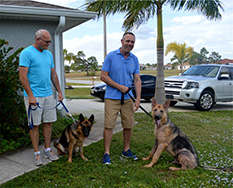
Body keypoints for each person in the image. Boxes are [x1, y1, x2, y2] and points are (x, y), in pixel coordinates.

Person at [19, 29, 63, 166]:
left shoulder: (48, 54)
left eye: (50, 41)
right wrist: (30, 95)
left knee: (48, 123)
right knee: (35, 126)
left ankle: (47, 150)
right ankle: (37, 154)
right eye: (46, 41)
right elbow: (22, 76)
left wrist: (59, 92)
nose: (49, 44)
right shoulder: (27, 53)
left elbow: (53, 74)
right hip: (34, 97)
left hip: (48, 95)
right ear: (38, 39)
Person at [101, 32, 141, 164]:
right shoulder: (111, 56)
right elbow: (103, 76)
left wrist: (138, 99)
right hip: (112, 98)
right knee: (109, 125)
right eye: (128, 41)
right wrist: (120, 87)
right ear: (122, 41)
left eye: (132, 42)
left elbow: (137, 80)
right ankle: (106, 153)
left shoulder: (134, 59)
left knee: (128, 125)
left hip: (128, 98)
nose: (129, 44)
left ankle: (126, 150)